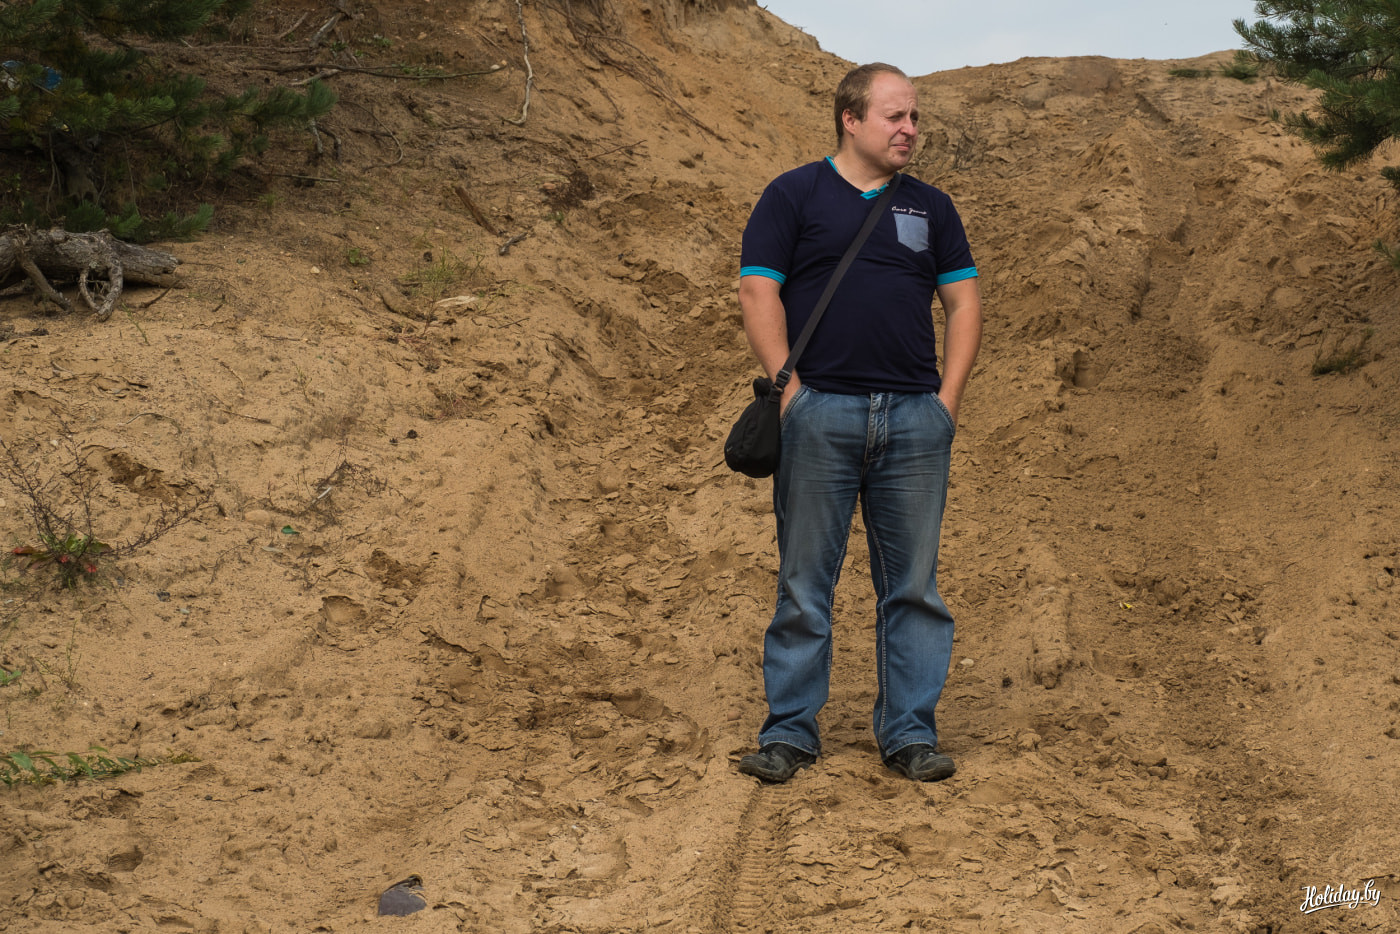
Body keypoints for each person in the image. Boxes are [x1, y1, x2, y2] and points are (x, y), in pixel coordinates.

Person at [735, 63, 983, 783]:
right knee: (804, 584)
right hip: (821, 414)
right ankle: (790, 733)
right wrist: (792, 394)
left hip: (914, 420)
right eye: (895, 116)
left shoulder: (932, 208)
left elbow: (964, 303)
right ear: (850, 118)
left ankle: (909, 734)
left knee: (914, 589)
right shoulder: (794, 194)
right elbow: (757, 290)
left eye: (915, 118)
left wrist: (947, 402)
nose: (910, 130)